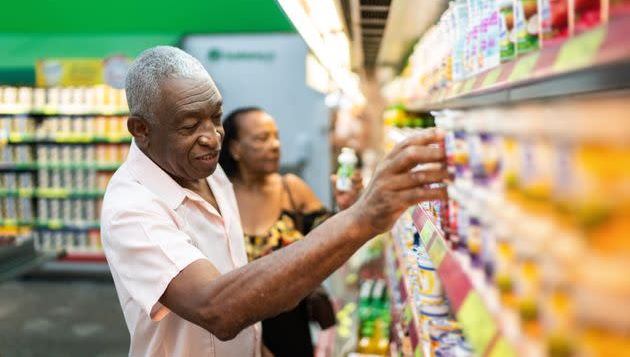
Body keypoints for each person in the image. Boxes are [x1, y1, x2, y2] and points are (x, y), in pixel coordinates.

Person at [101, 46, 448, 357]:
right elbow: (216, 309)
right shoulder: (133, 208)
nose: (211, 137)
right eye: (190, 125)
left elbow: (236, 294)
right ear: (141, 129)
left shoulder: (210, 174)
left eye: (216, 117)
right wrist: (362, 217)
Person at [219, 107, 362, 357]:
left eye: (276, 136)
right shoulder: (218, 199)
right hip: (235, 334)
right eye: (262, 138)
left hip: (293, 330)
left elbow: (329, 241)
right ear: (235, 148)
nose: (275, 145)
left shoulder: (292, 190)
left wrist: (346, 208)